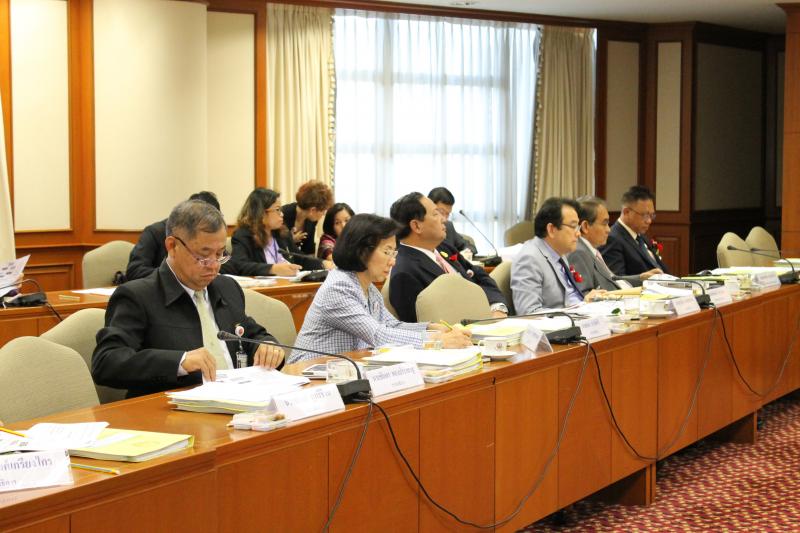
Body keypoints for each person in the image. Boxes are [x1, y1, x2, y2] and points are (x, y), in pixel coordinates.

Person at [92, 200, 284, 398]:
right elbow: (107, 362)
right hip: (172, 409)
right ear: (172, 246)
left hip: (240, 399)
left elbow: (249, 333)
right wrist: (180, 362)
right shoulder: (138, 296)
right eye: (203, 255)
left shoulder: (227, 287)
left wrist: (266, 345)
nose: (214, 265)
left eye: (220, 254)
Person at [289, 214, 472, 363]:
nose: (392, 261)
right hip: (308, 375)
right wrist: (437, 341)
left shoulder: (368, 287)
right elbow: (378, 335)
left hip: (342, 371)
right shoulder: (338, 287)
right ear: (362, 250)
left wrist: (433, 328)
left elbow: (391, 325)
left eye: (394, 253)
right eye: (386, 252)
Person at [388, 192, 507, 323]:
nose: (444, 219)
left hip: (489, 321)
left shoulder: (443, 247)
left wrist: (497, 307)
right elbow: (422, 328)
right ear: (417, 226)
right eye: (436, 214)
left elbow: (479, 275)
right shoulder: (404, 272)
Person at [511, 197, 605, 313]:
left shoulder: (559, 253)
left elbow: (569, 298)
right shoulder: (529, 259)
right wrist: (577, 310)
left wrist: (586, 302)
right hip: (561, 323)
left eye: (578, 227)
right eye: (573, 226)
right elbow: (529, 313)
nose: (578, 233)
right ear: (551, 229)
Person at [568, 196, 662, 292]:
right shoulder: (579, 253)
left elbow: (612, 279)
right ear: (585, 227)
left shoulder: (590, 250)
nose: (609, 230)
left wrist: (641, 278)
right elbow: (584, 295)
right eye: (604, 224)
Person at [224, 188, 325, 277]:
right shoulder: (243, 235)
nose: (282, 214)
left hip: (288, 284)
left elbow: (298, 257)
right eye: (277, 209)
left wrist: (322, 263)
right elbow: (239, 265)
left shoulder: (282, 234)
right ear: (261, 213)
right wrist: (272, 269)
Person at [125, 191, 221, 281]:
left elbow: (225, 263)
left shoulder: (213, 236)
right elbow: (135, 271)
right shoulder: (154, 232)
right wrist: (177, 274)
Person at [601, 185, 669, 276]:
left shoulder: (640, 236)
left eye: (652, 215)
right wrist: (642, 278)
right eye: (645, 215)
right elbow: (616, 279)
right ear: (626, 212)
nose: (649, 221)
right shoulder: (612, 238)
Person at [281, 181, 334, 257]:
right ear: (313, 210)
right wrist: (290, 241)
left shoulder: (311, 220)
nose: (323, 214)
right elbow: (275, 247)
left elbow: (309, 251)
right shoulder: (283, 215)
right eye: (323, 211)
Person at [428, 187, 478, 255]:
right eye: (441, 212)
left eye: (447, 214)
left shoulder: (448, 227)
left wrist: (463, 254)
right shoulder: (420, 231)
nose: (445, 219)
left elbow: (469, 246)